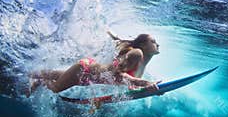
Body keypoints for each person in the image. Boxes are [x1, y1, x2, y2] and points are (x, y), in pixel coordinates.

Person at [29, 31, 161, 95]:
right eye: (153, 42)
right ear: (143, 45)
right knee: (55, 88)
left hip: (88, 77)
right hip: (84, 71)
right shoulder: (137, 54)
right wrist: (146, 84)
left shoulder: (143, 63)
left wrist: (148, 87)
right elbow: (119, 75)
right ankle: (38, 81)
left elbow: (130, 83)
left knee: (52, 74)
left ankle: (29, 73)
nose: (158, 44)